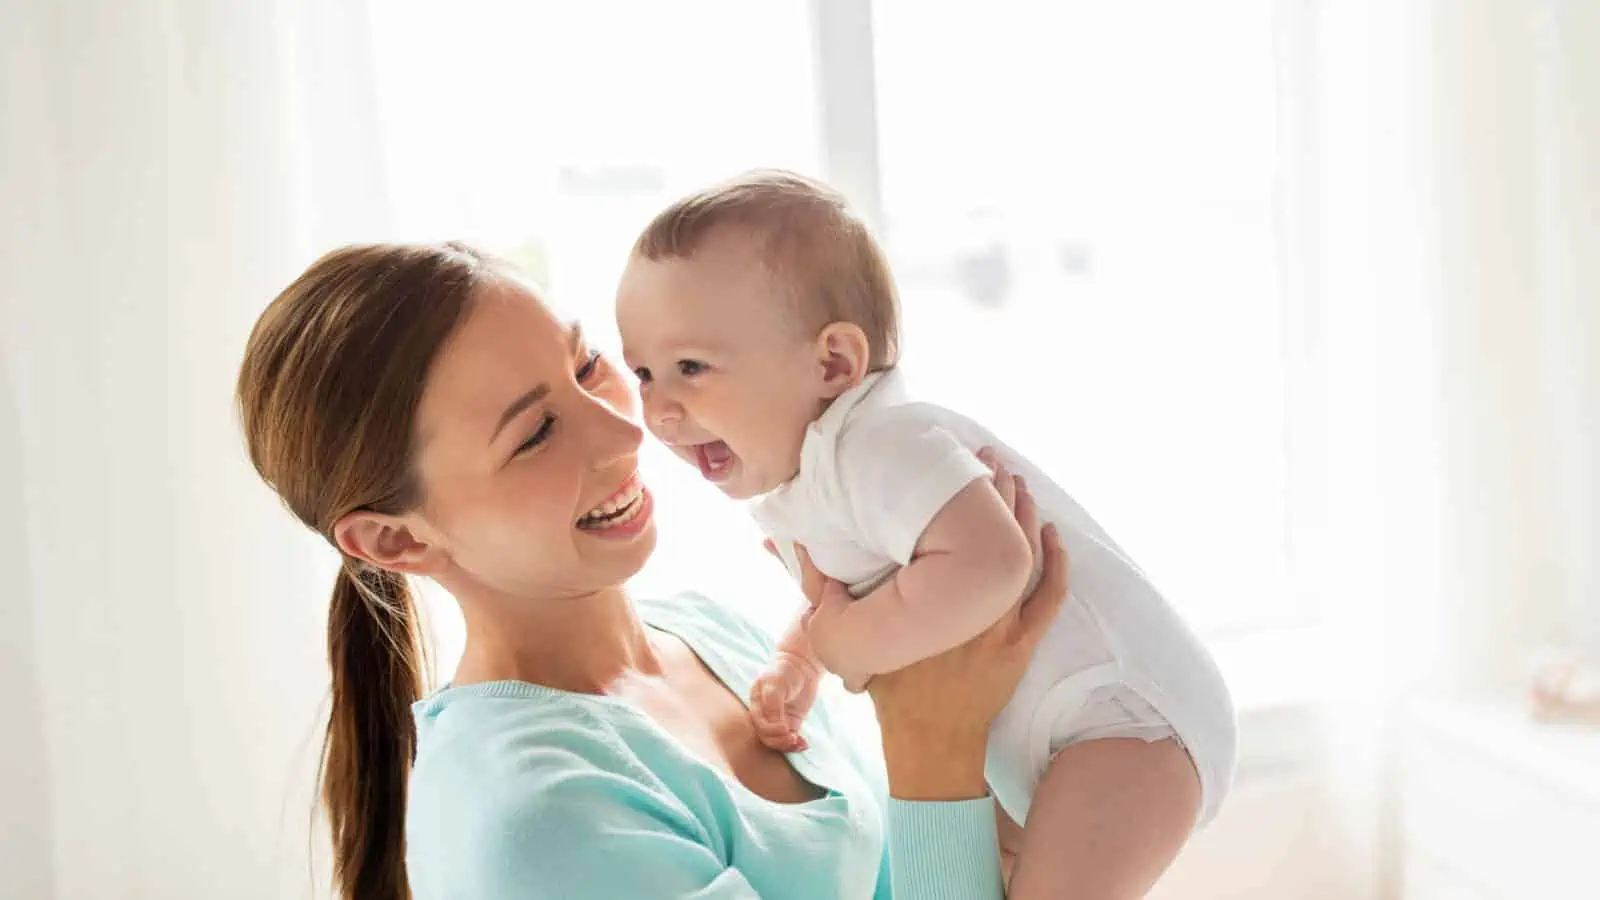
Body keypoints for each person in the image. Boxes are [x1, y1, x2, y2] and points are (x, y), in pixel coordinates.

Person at [234, 241, 1069, 900]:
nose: (625, 434)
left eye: (589, 365)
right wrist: (935, 741)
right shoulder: (536, 823)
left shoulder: (710, 635)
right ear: (394, 542)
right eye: (535, 434)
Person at [615, 170, 1238, 898]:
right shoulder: (798, 482)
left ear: (832, 364)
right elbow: (858, 588)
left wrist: (843, 645)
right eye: (644, 374)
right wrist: (801, 659)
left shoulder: (884, 442)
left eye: (691, 368)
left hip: (1125, 724)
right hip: (1049, 740)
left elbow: (992, 561)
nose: (659, 411)